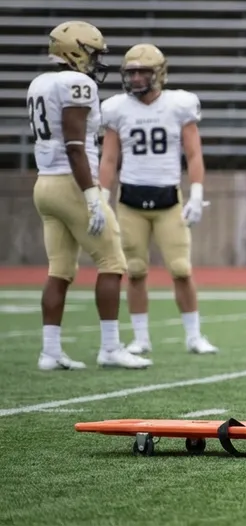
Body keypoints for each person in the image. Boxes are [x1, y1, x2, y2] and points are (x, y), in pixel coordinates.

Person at [28, 21, 149, 370]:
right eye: (92, 52)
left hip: (45, 184)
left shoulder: (39, 82)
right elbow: (75, 146)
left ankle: (50, 351)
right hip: (71, 183)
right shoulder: (76, 83)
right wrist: (92, 194)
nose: (95, 61)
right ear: (76, 49)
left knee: (60, 269)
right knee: (112, 263)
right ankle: (110, 347)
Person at [98, 43, 216, 356]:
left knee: (180, 269)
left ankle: (194, 336)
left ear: (159, 73)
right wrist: (101, 197)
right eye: (131, 71)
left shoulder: (179, 104)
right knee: (135, 270)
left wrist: (197, 192)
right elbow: (109, 159)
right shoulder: (116, 108)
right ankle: (141, 338)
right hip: (130, 199)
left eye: (143, 71)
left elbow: (193, 152)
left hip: (168, 198)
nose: (136, 77)